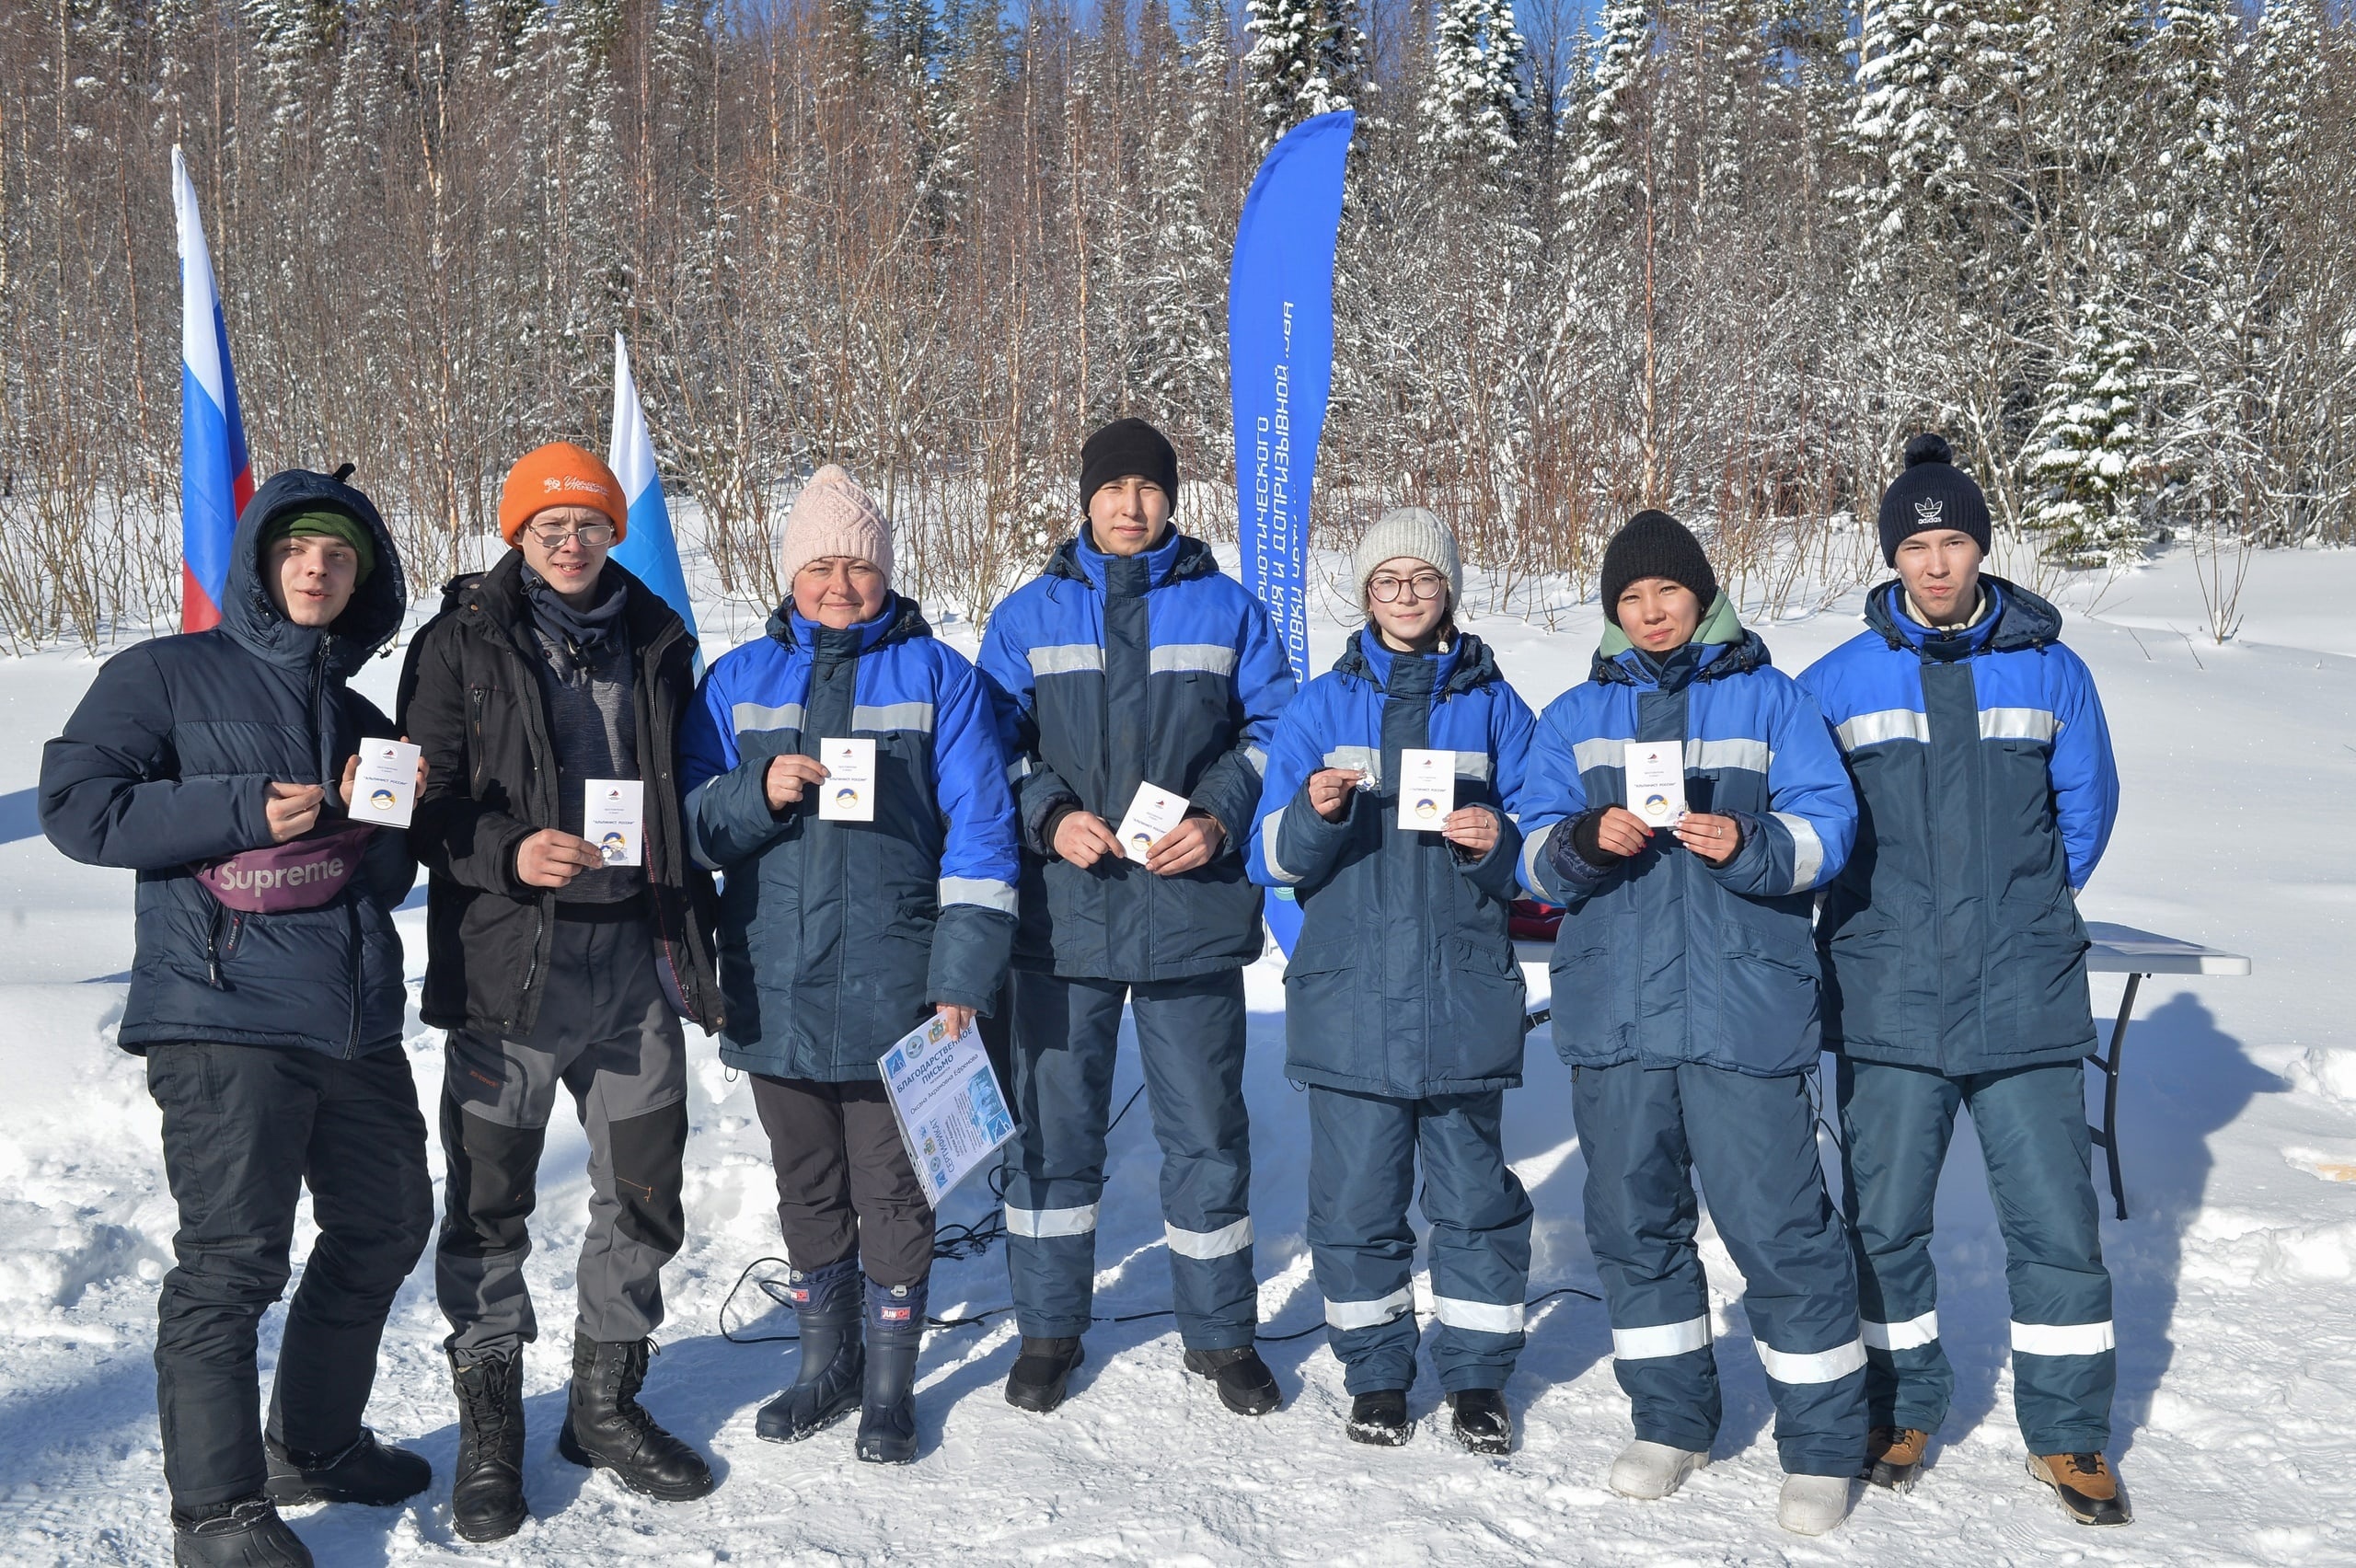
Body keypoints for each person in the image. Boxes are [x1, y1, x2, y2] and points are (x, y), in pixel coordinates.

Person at [41, 468, 432, 1568]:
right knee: (231, 1262)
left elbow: (381, 878)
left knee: (387, 1223)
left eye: (342, 557)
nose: (319, 568)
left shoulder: (359, 714)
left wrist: (386, 808)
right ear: (263, 564)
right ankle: (214, 1512)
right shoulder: (164, 675)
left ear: (365, 581)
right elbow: (78, 808)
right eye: (300, 550)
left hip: (352, 1021)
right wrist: (236, 806)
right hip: (220, 1014)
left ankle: (310, 1444)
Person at [1796, 434, 2127, 1526]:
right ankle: (1899, 1404)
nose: (1936, 565)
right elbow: (1811, 821)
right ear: (1891, 556)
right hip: (1888, 1002)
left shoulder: (2050, 671)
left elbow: (2083, 821)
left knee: (2054, 1227)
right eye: (1917, 545)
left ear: (1983, 547)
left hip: (2024, 998)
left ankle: (2069, 1432)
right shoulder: (1836, 684)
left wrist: (2020, 915)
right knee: (1882, 1224)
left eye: (1954, 541)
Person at [1517, 510, 1865, 1537]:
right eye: (1630, 598)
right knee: (1633, 1228)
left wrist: (1749, 841)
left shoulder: (1772, 701)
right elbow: (1527, 857)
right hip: (1616, 1014)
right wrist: (1584, 838)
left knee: (1779, 1228)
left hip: (1739, 1010)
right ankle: (1670, 1421)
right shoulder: (1574, 715)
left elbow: (1828, 828)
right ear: (1612, 612)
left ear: (1703, 596)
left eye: (1666, 592)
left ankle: (1820, 1445)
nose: (1650, 611)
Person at [398, 442, 722, 1539]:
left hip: (632, 961)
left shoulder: (658, 635)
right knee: (489, 1206)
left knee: (642, 1193)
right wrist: (506, 852)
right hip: (510, 971)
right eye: (550, 527)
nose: (572, 543)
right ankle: (491, 1429)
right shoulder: (460, 642)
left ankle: (603, 1406)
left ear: (613, 532)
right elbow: (420, 803)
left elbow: (693, 784)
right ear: (516, 535)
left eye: (588, 524)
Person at [680, 464, 1018, 1465]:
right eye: (820, 565)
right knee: (806, 1183)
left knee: (892, 1191)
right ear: (790, 573)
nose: (840, 584)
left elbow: (984, 840)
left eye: (859, 566)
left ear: (886, 572)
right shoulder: (736, 681)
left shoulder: (940, 679)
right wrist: (758, 790)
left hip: (899, 986)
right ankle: (820, 1363)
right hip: (772, 979)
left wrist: (960, 973)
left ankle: (888, 1382)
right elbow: (691, 827)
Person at [976, 418, 1296, 1418]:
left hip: (1186, 909)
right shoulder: (1026, 616)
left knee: (1204, 1130)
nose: (1129, 505)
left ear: (1170, 498)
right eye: (1111, 488)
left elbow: (1276, 726)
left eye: (1147, 489)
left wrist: (1218, 815)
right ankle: (1047, 1331)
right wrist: (1052, 816)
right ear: (1084, 499)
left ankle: (1221, 1335)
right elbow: (989, 743)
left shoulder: (1227, 609)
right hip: (1063, 920)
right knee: (1053, 1136)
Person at [1249, 509, 1537, 1453]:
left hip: (1459, 999)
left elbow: (1544, 848)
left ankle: (1478, 1377)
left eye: (1422, 578)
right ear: (1364, 594)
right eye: (1387, 580)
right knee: (1356, 1205)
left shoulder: (1497, 706)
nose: (1405, 595)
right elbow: (1271, 857)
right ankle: (1375, 1374)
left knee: (1472, 1204)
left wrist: (1501, 842)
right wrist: (1314, 809)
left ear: (1448, 589)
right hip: (1349, 1004)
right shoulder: (1319, 705)